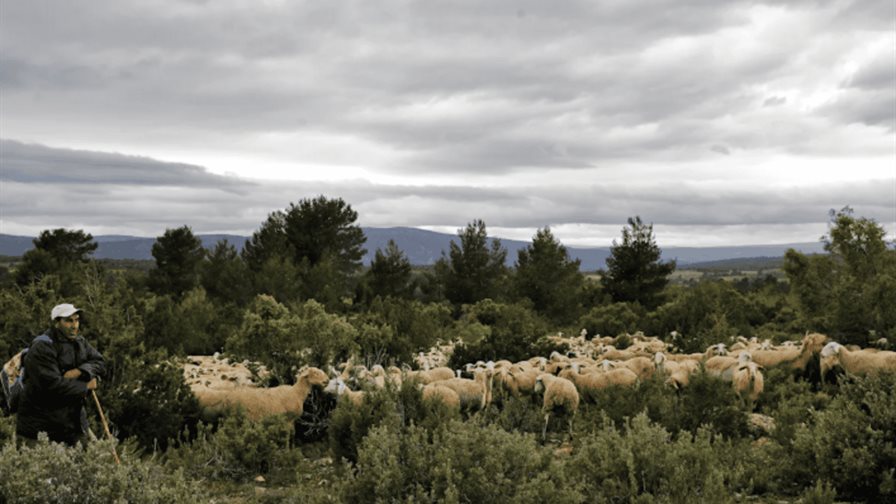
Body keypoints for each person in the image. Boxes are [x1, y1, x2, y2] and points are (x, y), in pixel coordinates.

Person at [15, 303, 107, 447]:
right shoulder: (42, 347)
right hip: (39, 428)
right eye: (69, 321)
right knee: (40, 468)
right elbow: (51, 386)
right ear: (57, 323)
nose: (74, 325)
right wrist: (85, 386)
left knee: (95, 461)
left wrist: (80, 371)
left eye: (76, 320)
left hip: (73, 423)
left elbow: (99, 362)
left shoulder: (79, 342)